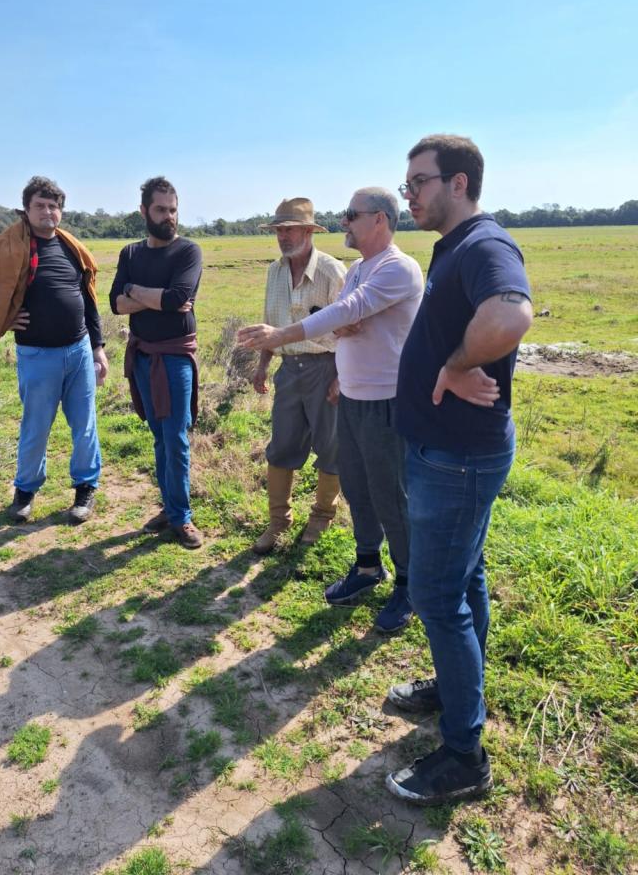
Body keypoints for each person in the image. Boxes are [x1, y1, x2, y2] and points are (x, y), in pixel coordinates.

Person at [384, 135, 533, 806]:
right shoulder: (452, 248)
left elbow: (511, 314)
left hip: (458, 458)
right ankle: (454, 690)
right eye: (408, 181)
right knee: (463, 579)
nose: (408, 193)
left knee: (437, 597)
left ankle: (464, 754)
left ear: (460, 182)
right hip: (444, 451)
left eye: (418, 181)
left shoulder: (484, 246)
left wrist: (456, 365)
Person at [238, 187, 423, 630]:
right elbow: (344, 317)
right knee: (358, 487)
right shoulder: (359, 269)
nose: (346, 223)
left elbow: (348, 311)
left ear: (380, 220)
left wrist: (282, 335)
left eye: (352, 215)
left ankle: (409, 585)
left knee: (390, 495)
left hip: (387, 399)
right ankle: (366, 567)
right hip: (355, 395)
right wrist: (340, 325)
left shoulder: (399, 268)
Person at [0, 176, 108, 524]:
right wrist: (1, 318)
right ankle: (25, 491)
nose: (48, 211)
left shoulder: (71, 248)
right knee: (35, 427)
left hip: (78, 351)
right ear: (27, 209)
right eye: (40, 205)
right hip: (37, 355)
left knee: (85, 425)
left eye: (54, 206)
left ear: (60, 211)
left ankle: (85, 488)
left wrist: (98, 348)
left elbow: (88, 302)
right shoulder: (11, 247)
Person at [109, 176, 203, 549]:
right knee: (158, 436)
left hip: (176, 355)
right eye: (161, 209)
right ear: (144, 211)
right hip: (143, 355)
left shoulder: (188, 252)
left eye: (173, 209)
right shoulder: (130, 254)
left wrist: (137, 292)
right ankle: (170, 506)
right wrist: (145, 294)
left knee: (176, 437)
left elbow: (178, 297)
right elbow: (116, 303)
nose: (169, 217)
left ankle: (182, 518)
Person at [248, 198, 346, 554]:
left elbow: (351, 329)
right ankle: (278, 521)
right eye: (278, 231)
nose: (283, 237)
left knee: (331, 446)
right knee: (282, 446)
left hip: (327, 367)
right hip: (289, 370)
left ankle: (322, 515)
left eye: (289, 230)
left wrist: (342, 376)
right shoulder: (274, 272)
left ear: (309, 231)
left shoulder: (332, 272)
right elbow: (270, 325)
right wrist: (262, 364)